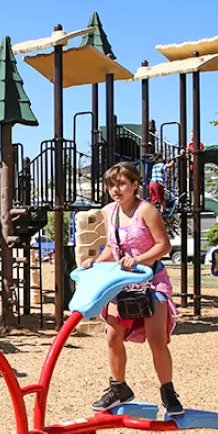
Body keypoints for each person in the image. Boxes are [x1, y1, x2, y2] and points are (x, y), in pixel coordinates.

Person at [81, 161, 184, 416]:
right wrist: (96, 260)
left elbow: (164, 246)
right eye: (111, 185)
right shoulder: (109, 211)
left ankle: (168, 393)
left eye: (122, 184)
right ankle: (118, 387)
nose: (116, 189)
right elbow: (112, 248)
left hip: (150, 280)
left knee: (156, 339)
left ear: (135, 185)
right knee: (113, 336)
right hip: (122, 282)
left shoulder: (146, 210)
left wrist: (138, 260)